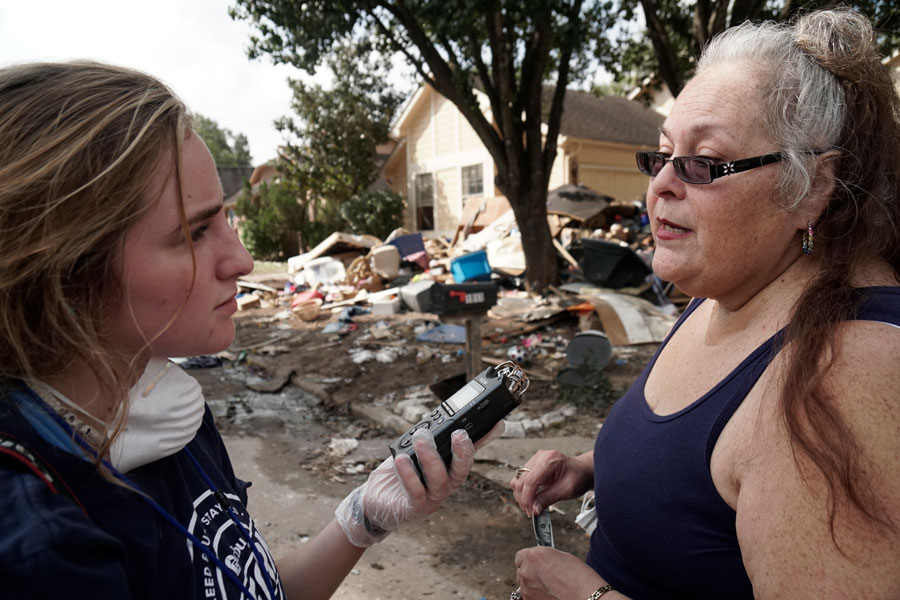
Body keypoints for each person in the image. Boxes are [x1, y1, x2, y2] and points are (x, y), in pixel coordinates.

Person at [0, 60, 501, 599]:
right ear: (64, 276)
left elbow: (252, 590)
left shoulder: (163, 413)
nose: (241, 259)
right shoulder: (39, 548)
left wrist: (361, 519)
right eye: (194, 233)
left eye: (225, 222)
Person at [510, 9, 900, 599]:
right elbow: (713, 463)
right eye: (662, 155)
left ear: (813, 186)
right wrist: (593, 468)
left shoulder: (843, 379)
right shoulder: (737, 282)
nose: (662, 183)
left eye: (704, 162)